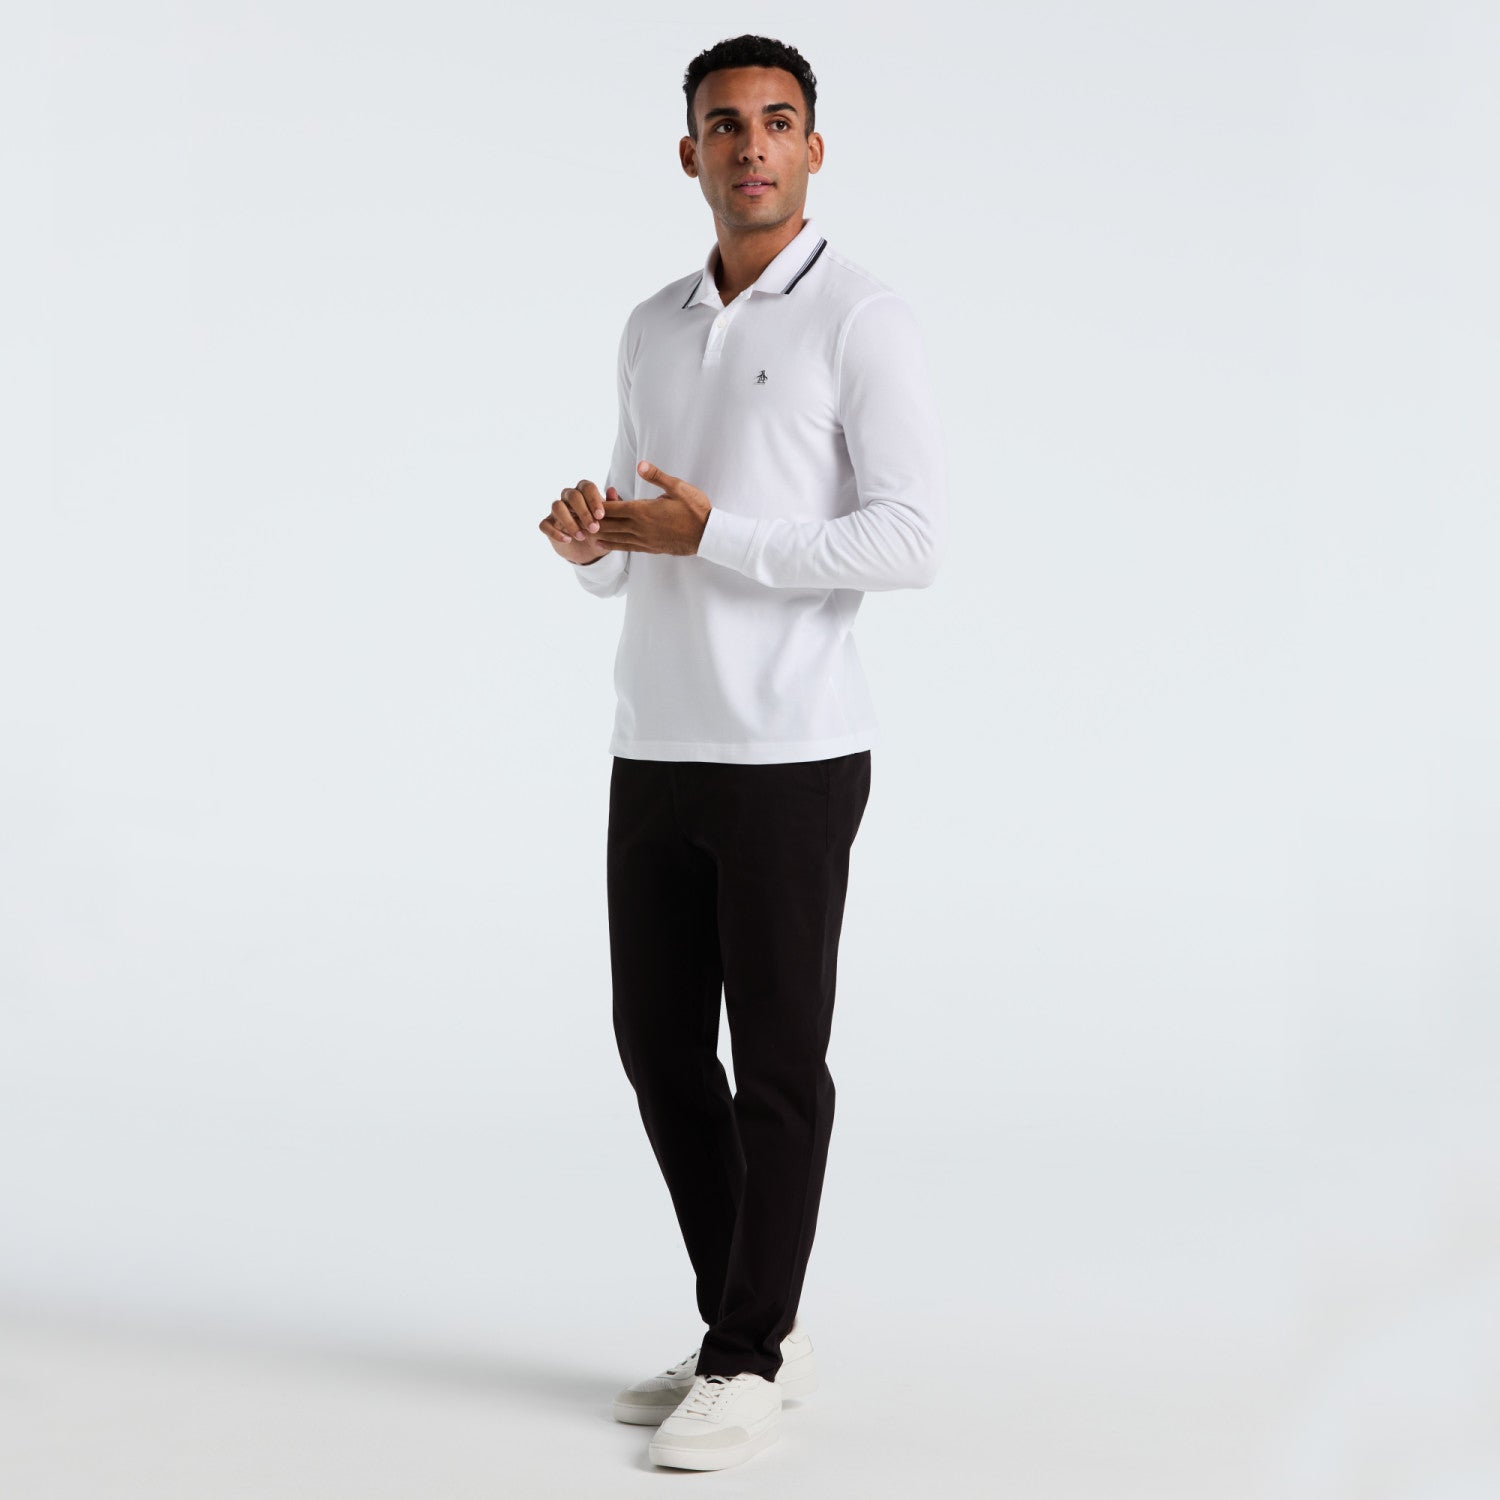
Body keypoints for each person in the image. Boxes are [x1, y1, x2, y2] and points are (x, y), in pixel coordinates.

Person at [538, 33, 948, 1472]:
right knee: (657, 1047)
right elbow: (635, 535)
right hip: (656, 736)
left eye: (778, 123)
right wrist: (595, 545)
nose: (752, 146)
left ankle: (748, 1349)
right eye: (726, 125)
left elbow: (910, 538)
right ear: (690, 154)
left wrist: (721, 535)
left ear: (814, 150)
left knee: (776, 1062)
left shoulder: (862, 317)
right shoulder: (652, 324)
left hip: (793, 748)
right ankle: (749, 1323)